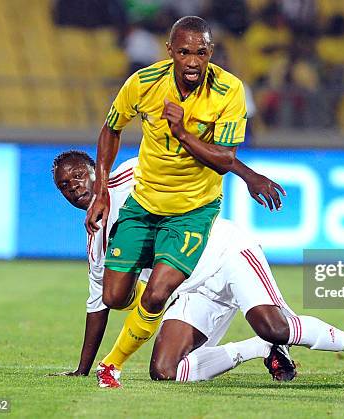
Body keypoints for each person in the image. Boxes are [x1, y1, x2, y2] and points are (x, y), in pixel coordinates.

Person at [52, 151, 344, 386]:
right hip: (190, 290)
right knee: (165, 372)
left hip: (226, 253)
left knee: (276, 326)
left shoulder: (135, 172)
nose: (75, 188)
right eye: (65, 186)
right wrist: (83, 369)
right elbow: (98, 304)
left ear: (97, 170)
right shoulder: (97, 237)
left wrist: (248, 176)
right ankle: (258, 349)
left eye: (80, 176)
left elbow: (200, 156)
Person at [85, 15, 285, 372]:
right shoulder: (143, 83)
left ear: (211, 51)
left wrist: (182, 133)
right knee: (114, 296)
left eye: (202, 52)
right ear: (170, 51)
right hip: (144, 204)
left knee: (156, 292)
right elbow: (110, 129)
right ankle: (169, 294)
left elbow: (225, 158)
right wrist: (101, 191)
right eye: (185, 52)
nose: (193, 61)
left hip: (193, 209)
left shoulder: (229, 90)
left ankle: (111, 365)